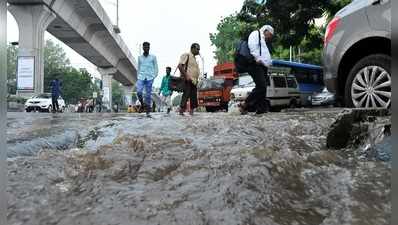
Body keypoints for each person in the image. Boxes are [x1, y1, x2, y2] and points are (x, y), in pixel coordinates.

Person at [239, 25, 274, 115]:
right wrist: (257, 58)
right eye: (270, 34)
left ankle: (261, 109)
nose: (270, 37)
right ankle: (245, 103)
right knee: (261, 85)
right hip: (255, 64)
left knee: (264, 87)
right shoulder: (256, 34)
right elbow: (252, 46)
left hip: (262, 66)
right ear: (266, 31)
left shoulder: (263, 40)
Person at [137, 42, 159, 117]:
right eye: (145, 47)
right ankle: (142, 105)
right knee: (139, 92)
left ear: (149, 48)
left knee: (148, 95)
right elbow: (138, 67)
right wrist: (138, 76)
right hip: (141, 77)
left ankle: (148, 111)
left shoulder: (153, 57)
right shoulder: (140, 57)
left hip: (150, 77)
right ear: (143, 48)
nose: (146, 48)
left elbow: (156, 67)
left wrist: (154, 76)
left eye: (147, 47)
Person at [178, 43, 201, 116]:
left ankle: (192, 113)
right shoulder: (186, 55)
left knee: (194, 96)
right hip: (187, 79)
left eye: (199, 49)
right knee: (186, 94)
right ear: (192, 48)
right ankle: (181, 111)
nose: (198, 51)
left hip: (194, 81)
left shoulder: (194, 59)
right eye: (197, 49)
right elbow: (180, 66)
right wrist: (186, 76)